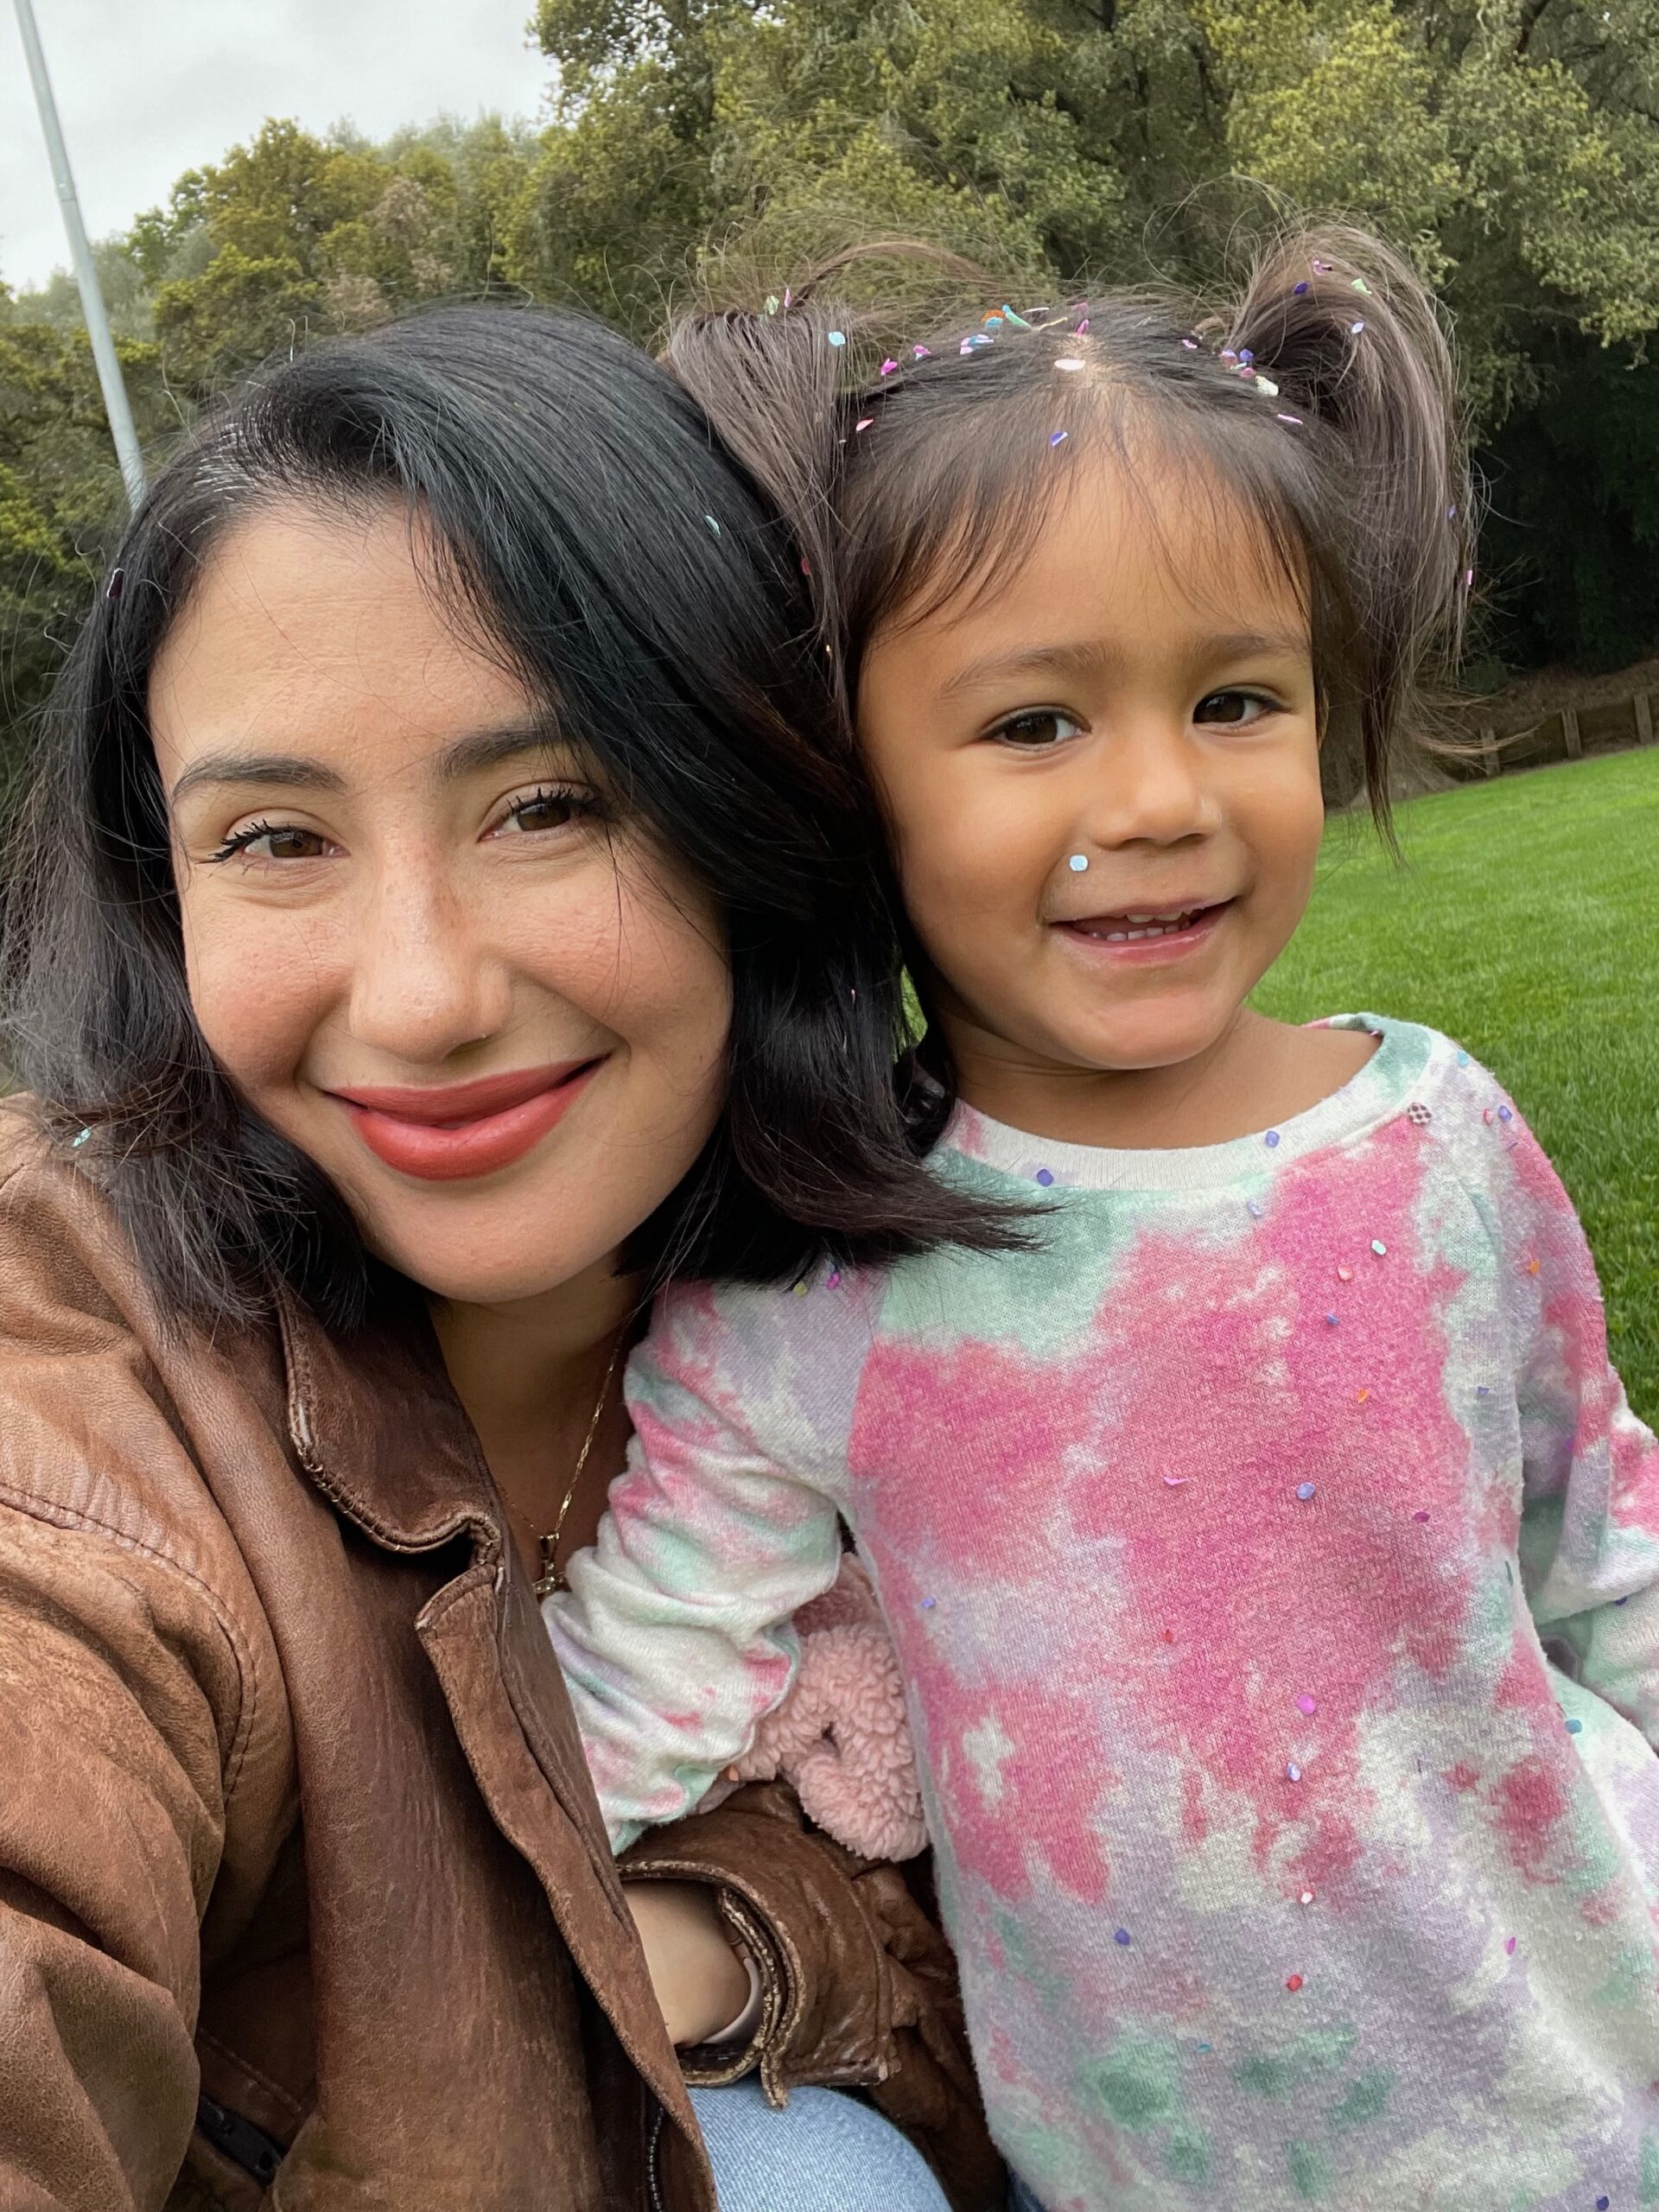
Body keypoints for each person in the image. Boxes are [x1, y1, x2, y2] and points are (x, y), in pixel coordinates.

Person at [545, 228, 1659, 2209]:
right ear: (845, 769)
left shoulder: (1441, 1143)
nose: (1157, 796)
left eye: (1235, 697)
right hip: (1148, 2168)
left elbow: (1605, 1549)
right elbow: (630, 1688)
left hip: (1587, 2103)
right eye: (1034, 722)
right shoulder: (817, 1271)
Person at [0, 302, 1002, 2212]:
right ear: (160, 890)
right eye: (275, 837)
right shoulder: (66, 1335)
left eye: (548, 805)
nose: (423, 995)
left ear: (750, 815)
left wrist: (716, 1927)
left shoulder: (950, 1302)